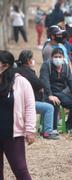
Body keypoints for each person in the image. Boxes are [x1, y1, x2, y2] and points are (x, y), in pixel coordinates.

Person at [0, 50, 36, 180]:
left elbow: (30, 106)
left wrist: (30, 130)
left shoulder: (20, 82)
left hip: (13, 135)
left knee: (20, 170)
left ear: (5, 65)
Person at [15, 50, 58, 140]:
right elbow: (39, 84)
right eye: (32, 58)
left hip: (18, 102)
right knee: (49, 107)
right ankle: (48, 132)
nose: (33, 60)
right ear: (28, 60)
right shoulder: (28, 72)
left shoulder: (16, 69)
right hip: (28, 103)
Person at [40, 48, 72, 132]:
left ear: (63, 57)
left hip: (60, 93)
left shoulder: (66, 67)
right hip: (48, 93)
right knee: (55, 103)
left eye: (60, 57)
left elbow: (71, 82)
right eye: (55, 57)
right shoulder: (46, 65)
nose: (58, 59)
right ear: (51, 57)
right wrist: (50, 95)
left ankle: (68, 127)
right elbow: (45, 81)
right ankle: (53, 129)